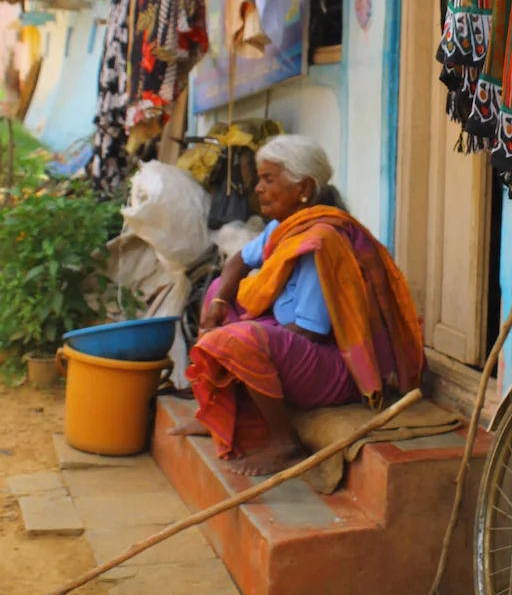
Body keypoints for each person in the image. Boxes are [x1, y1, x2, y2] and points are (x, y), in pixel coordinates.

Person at [170, 135, 424, 475]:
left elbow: (309, 332)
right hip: (295, 341)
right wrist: (218, 303)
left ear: (303, 188)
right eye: (259, 179)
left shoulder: (322, 241)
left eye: (268, 179)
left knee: (237, 340)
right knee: (220, 291)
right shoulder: (282, 227)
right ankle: (225, 418)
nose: (257, 188)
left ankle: (284, 443)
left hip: (335, 369)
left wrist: (236, 340)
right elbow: (237, 263)